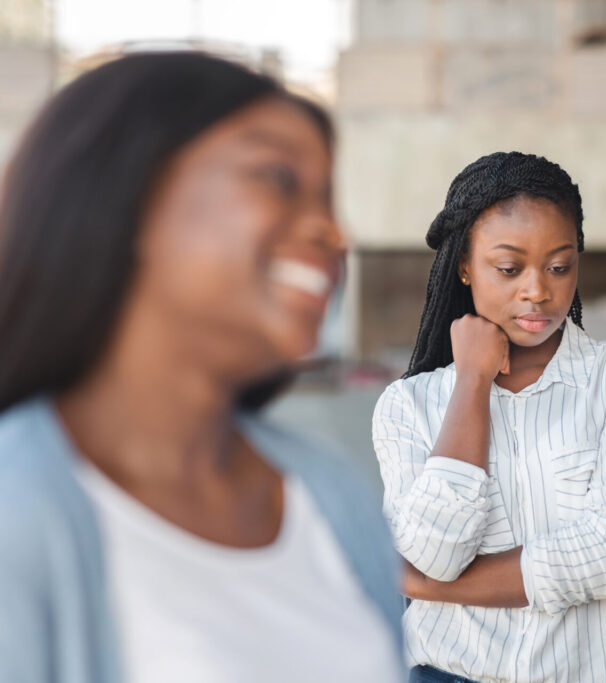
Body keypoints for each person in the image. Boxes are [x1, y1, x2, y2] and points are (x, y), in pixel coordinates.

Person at [0, 52, 404, 683]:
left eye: (328, 196)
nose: (333, 232)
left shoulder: (331, 494)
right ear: (128, 194)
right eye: (278, 178)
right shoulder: (18, 510)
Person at [371, 152, 606, 683]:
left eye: (560, 266)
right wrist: (471, 382)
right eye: (509, 269)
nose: (537, 290)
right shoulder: (408, 405)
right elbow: (433, 553)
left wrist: (430, 587)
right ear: (465, 264)